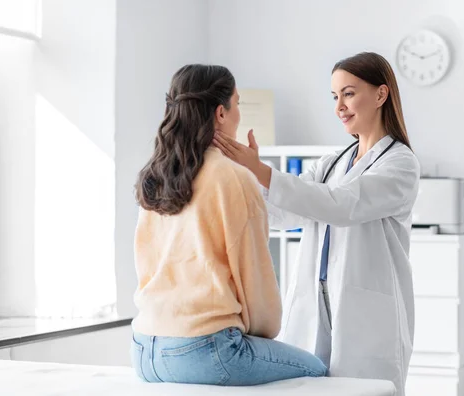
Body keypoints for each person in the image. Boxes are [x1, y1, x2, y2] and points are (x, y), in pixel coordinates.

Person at [213, 52, 420, 395]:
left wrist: (260, 170)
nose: (339, 106)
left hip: (365, 316)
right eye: (335, 96)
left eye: (349, 93)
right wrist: (236, 178)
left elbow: (342, 205)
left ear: (381, 95)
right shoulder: (331, 162)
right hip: (316, 308)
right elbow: (285, 213)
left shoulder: (400, 164)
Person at [130, 64, 327, 386]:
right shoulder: (232, 176)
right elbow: (255, 274)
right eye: (237, 104)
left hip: (144, 347)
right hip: (203, 349)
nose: (238, 114)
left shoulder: (156, 173)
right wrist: (265, 334)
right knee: (318, 372)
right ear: (221, 113)